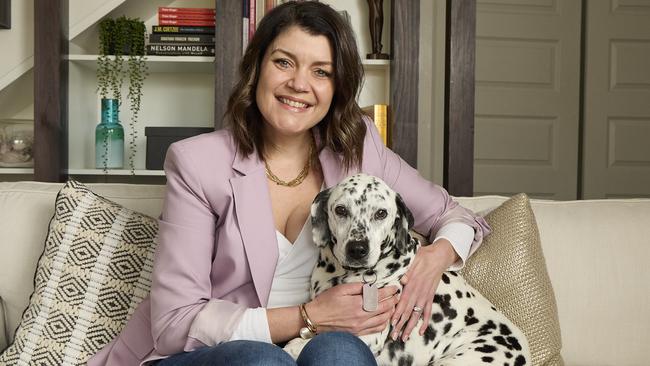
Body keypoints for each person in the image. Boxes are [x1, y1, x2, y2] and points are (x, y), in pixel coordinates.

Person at [88, 2, 490, 365]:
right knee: (265, 363)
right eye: (284, 62)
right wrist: (308, 316)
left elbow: (456, 217)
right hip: (212, 355)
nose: (300, 84)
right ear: (257, 67)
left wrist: (432, 260)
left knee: (342, 352)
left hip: (315, 349)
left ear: (336, 88)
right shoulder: (197, 163)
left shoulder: (360, 148)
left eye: (321, 72)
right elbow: (176, 324)